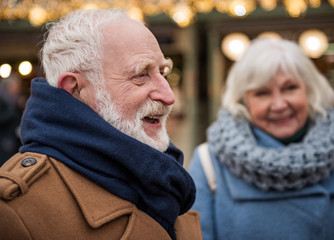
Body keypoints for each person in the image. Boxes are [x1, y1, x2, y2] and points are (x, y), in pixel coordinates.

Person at [0, 9, 202, 240]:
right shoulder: (16, 209)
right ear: (74, 88)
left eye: (162, 72)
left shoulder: (169, 179)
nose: (169, 96)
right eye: (140, 75)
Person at [189, 38, 334, 240]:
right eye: (262, 93)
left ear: (310, 91)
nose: (279, 105)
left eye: (290, 88)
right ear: (243, 103)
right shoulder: (209, 164)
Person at [0, 74, 23, 165]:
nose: (17, 89)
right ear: (9, 86)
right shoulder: (3, 100)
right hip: (4, 141)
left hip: (14, 140)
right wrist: (13, 111)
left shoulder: (15, 100)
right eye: (16, 87)